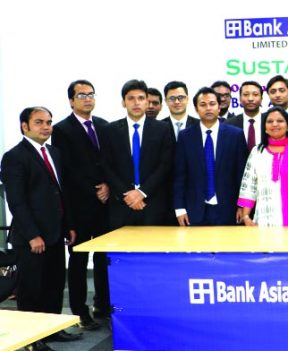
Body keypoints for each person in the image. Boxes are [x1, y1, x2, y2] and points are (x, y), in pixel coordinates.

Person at [3, 107, 84, 349]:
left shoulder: (53, 152)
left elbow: (60, 193)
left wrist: (68, 225)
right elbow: (16, 201)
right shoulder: (14, 156)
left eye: (48, 122)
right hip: (32, 238)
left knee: (54, 285)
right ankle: (33, 340)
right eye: (39, 122)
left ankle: (52, 330)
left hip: (56, 234)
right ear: (24, 126)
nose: (46, 127)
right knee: (32, 290)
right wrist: (32, 235)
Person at [51, 80, 108, 330]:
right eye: (81, 95)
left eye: (91, 94)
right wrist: (93, 190)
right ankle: (79, 311)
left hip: (106, 205)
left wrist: (108, 185)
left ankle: (103, 305)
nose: (87, 98)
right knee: (78, 262)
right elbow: (67, 171)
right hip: (79, 207)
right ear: (71, 100)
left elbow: (111, 161)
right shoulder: (61, 130)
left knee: (106, 258)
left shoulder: (105, 126)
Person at [100, 79, 175, 230]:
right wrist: (127, 195)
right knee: (121, 252)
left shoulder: (163, 129)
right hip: (121, 204)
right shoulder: (109, 130)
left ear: (147, 102)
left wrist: (142, 192)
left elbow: (165, 165)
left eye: (141, 98)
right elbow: (106, 166)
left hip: (152, 203)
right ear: (123, 102)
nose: (136, 103)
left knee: (152, 251)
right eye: (131, 98)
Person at [174, 87, 248, 226]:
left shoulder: (236, 135)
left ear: (219, 107)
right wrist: (179, 208)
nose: (208, 108)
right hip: (194, 209)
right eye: (203, 105)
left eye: (212, 104)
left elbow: (241, 175)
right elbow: (179, 175)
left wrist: (242, 206)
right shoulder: (185, 136)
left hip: (228, 208)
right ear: (196, 109)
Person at [237, 106, 288, 227]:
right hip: (265, 218)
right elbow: (249, 184)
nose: (275, 124)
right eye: (270, 121)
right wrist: (246, 216)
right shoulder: (257, 151)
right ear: (265, 127)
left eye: (280, 121)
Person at [227, 81, 265, 153]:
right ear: (240, 99)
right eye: (246, 94)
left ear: (261, 99)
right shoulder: (230, 124)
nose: (250, 98)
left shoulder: (269, 122)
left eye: (255, 94)